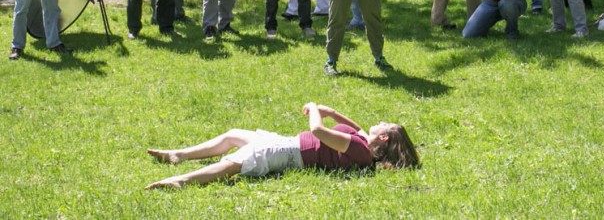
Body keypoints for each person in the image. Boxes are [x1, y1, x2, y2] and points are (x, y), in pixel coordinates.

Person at [145, 102, 419, 190]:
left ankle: (181, 181)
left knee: (230, 166)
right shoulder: (362, 143)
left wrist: (314, 108)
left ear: (383, 138)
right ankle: (178, 155)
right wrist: (333, 111)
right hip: (286, 143)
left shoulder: (358, 151)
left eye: (385, 124)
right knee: (232, 135)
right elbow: (354, 126)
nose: (380, 121)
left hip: (287, 153)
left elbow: (317, 131)